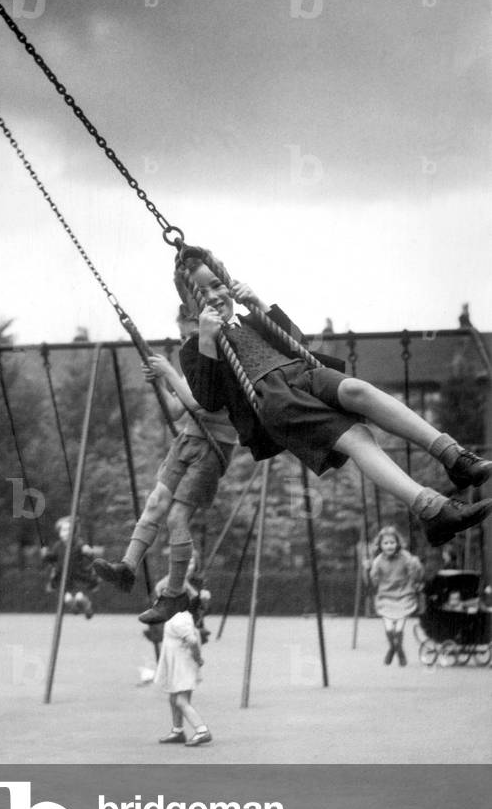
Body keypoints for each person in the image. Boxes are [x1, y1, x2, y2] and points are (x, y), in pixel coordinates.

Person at [165, 248, 492, 624]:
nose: (215, 295)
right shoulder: (194, 348)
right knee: (358, 439)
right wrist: (206, 340)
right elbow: (208, 399)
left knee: (360, 391)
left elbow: (296, 342)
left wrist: (259, 303)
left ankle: (455, 458)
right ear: (190, 306)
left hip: (304, 373)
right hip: (275, 399)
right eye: (201, 293)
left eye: (217, 284)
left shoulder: (249, 322)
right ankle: (432, 509)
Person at [94, 308, 237, 625]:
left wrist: (169, 373)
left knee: (176, 517)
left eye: (193, 336)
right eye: (185, 336)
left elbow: (202, 402)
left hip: (213, 448)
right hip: (188, 440)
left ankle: (174, 593)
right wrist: (159, 383)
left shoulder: (226, 361)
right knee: (156, 502)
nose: (188, 343)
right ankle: (127, 568)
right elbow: (175, 410)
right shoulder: (196, 365)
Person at [154, 595, 211, 747]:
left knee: (181, 700)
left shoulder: (180, 619)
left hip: (183, 667)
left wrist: (198, 659)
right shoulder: (178, 618)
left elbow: (192, 641)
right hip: (177, 666)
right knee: (174, 699)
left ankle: (202, 730)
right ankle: (178, 731)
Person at [365, 525, 424, 666]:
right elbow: (373, 581)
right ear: (380, 545)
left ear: (397, 543)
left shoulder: (405, 557)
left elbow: (415, 575)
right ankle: (395, 648)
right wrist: (369, 569)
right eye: (386, 543)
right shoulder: (378, 560)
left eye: (392, 542)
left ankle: (397, 649)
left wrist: (415, 565)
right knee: (389, 628)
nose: (389, 546)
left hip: (404, 594)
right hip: (386, 596)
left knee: (398, 629)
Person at [41, 516, 99, 618]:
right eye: (63, 530)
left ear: (74, 532)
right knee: (67, 598)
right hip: (64, 578)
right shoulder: (58, 546)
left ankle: (87, 607)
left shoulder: (78, 543)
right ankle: (75, 609)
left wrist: (88, 551)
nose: (66, 532)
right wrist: (46, 554)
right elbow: (52, 558)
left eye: (69, 530)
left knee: (79, 597)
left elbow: (86, 550)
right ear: (59, 533)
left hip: (78, 576)